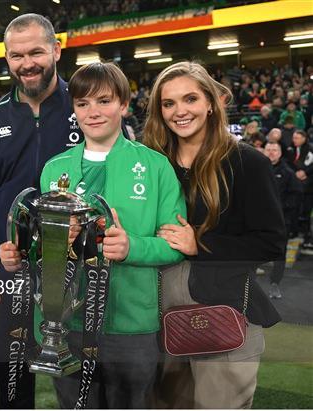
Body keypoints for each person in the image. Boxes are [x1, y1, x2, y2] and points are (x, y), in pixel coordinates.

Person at [0, 62, 186, 408]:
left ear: (124, 104)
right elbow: (41, 247)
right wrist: (21, 253)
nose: (93, 112)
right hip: (65, 324)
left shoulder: (156, 166)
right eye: (83, 104)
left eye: (104, 101)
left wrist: (132, 246)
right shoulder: (55, 169)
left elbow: (174, 246)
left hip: (130, 324)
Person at [143, 61, 286, 409]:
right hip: (155, 316)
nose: (180, 111)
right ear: (159, 111)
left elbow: (271, 242)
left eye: (190, 99)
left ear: (211, 103)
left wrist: (199, 244)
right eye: (169, 103)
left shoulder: (247, 162)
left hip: (223, 316)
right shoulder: (150, 164)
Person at [0, 13, 84, 408]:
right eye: (17, 55)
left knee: (82, 378)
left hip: (79, 267)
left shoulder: (88, 105)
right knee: (13, 377)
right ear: (7, 59)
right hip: (12, 265)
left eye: (36, 51)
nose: (27, 63)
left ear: (56, 49)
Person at [264, 141, 302, 298]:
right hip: (258, 220)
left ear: (280, 153)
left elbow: (296, 195)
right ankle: (247, 285)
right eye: (269, 149)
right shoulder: (257, 170)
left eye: (275, 150)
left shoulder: (288, 172)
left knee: (279, 253)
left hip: (280, 221)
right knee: (251, 251)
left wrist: (279, 208)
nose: (271, 152)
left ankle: (275, 284)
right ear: (264, 151)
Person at [285, 129, 313, 255]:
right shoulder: (290, 149)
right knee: (294, 209)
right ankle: (294, 231)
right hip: (295, 183)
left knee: (306, 211)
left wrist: (305, 172)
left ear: (304, 138)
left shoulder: (310, 148)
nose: (294, 140)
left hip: (308, 186)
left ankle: (307, 237)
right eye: (294, 138)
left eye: (297, 138)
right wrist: (295, 173)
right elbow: (287, 162)